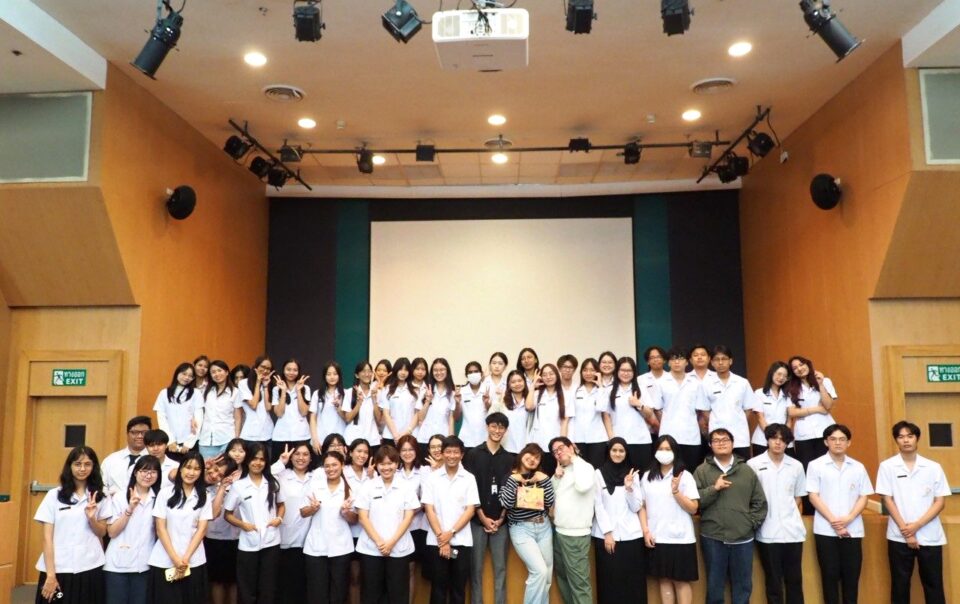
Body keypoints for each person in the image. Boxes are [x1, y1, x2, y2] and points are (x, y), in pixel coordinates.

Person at [876, 421, 951, 604]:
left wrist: (917, 525)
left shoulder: (933, 467)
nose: (906, 440)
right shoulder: (887, 466)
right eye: (901, 437)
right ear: (896, 440)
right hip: (898, 536)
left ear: (917, 438)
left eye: (910, 436)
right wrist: (906, 530)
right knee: (900, 585)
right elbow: (887, 499)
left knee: (933, 584)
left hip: (929, 534)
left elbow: (940, 502)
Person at [693, 427, 767, 604]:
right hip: (713, 537)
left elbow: (760, 503)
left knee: (743, 587)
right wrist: (714, 489)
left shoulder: (747, 470)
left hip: (743, 538)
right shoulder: (702, 471)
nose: (721, 443)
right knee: (714, 587)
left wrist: (749, 524)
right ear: (710, 445)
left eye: (725, 440)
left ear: (733, 444)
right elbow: (694, 502)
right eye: (716, 441)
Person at [806, 424, 873, 604]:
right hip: (825, 530)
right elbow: (813, 496)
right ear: (825, 442)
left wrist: (849, 518)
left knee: (852, 577)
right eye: (833, 439)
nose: (838, 443)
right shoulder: (815, 465)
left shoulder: (858, 467)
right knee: (829, 577)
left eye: (842, 439)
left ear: (848, 443)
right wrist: (833, 521)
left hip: (852, 530)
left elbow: (864, 496)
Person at [34, 446, 108, 604]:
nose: (82, 469)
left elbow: (102, 532)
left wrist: (92, 519)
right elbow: (47, 538)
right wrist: (51, 575)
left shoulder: (100, 496)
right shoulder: (54, 495)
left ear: (94, 467)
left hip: (90, 566)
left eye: (87, 464)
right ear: (70, 466)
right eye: (77, 464)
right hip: (59, 567)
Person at [747, 423, 807, 604]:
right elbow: (749, 497)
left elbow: (798, 497)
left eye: (783, 439)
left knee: (795, 580)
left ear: (788, 443)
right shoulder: (754, 464)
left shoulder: (796, 466)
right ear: (767, 440)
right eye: (774, 438)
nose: (778, 442)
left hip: (793, 532)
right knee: (773, 582)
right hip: (767, 531)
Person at [355, 444, 419, 604]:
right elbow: (362, 517)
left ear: (397, 464)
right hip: (371, 549)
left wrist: (391, 543)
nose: (386, 467)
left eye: (390, 463)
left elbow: (408, 517)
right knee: (371, 594)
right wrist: (379, 542)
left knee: (398, 594)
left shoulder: (405, 486)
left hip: (398, 549)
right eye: (382, 464)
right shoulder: (368, 486)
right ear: (376, 465)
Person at [640, 435, 700, 604]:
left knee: (681, 581)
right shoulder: (647, 477)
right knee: (664, 580)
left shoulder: (684, 476)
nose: (664, 452)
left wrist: (676, 492)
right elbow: (642, 506)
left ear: (675, 452)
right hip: (657, 537)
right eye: (661, 449)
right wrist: (646, 531)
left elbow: (693, 508)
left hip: (680, 538)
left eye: (668, 449)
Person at [147, 450, 212, 604]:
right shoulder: (165, 493)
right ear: (181, 468)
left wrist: (185, 558)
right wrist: (176, 559)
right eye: (188, 467)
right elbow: (160, 528)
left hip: (193, 561)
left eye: (197, 469)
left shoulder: (205, 496)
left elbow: (202, 529)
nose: (191, 472)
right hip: (165, 559)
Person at [462, 412, 514, 604]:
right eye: (494, 426)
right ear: (487, 427)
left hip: (501, 523)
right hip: (477, 521)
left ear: (505, 430)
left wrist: (501, 518)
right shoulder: (473, 455)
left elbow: (512, 490)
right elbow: (469, 489)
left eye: (501, 427)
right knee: (475, 570)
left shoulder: (510, 459)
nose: (497, 430)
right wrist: (482, 517)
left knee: (501, 569)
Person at [224, 442, 284, 604]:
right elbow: (227, 514)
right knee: (247, 588)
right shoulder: (238, 486)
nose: (258, 463)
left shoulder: (273, 482)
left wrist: (279, 519)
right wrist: (243, 525)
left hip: (271, 542)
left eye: (262, 459)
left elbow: (281, 505)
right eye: (254, 459)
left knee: (268, 587)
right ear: (247, 460)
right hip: (248, 543)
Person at [422, 436, 479, 604]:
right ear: (442, 453)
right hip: (436, 542)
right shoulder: (432, 478)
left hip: (461, 542)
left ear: (462, 455)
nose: (452, 456)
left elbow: (470, 510)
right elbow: (429, 509)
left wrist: (451, 533)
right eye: (448, 452)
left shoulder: (469, 478)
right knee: (438, 589)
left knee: (458, 589)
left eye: (456, 452)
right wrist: (442, 538)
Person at [592, 437, 646, 604]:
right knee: (610, 581)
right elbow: (598, 506)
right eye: (614, 450)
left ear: (626, 453)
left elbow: (636, 506)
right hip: (606, 537)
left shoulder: (632, 474)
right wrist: (608, 533)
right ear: (608, 452)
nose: (617, 454)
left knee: (633, 582)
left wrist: (629, 488)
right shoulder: (598, 473)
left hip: (632, 536)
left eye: (621, 451)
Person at [500, 443, 555, 604]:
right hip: (521, 529)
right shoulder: (509, 477)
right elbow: (506, 503)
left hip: (544, 527)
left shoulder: (540, 477)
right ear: (522, 454)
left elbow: (550, 502)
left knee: (547, 574)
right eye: (530, 454)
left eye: (537, 458)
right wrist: (514, 480)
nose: (532, 459)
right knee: (539, 571)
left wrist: (545, 480)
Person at [301, 450, 358, 604]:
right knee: (317, 594)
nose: (331, 469)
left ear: (342, 465)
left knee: (339, 594)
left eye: (334, 465)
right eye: (327, 466)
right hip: (316, 547)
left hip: (341, 548)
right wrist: (312, 508)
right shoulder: (315, 486)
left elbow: (355, 519)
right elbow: (303, 512)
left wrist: (345, 512)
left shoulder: (350, 490)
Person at [102, 455, 161, 604]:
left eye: (153, 472)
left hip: (145, 565)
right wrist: (130, 509)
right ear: (135, 472)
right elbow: (112, 532)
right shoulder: (120, 497)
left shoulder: (159, 498)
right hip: (117, 566)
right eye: (144, 471)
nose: (148, 475)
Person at [786, 355, 837, 514]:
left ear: (808, 364)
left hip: (825, 432)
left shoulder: (824, 381)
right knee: (808, 471)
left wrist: (820, 385)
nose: (799, 369)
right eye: (795, 368)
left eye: (801, 364)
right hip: (804, 436)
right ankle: (810, 511)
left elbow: (828, 405)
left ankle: (830, 507)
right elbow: (792, 412)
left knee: (827, 469)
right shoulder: (791, 387)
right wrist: (816, 409)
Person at [549, 436, 596, 604]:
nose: (558, 453)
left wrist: (574, 458)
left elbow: (582, 487)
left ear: (571, 447)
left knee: (579, 583)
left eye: (561, 448)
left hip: (576, 535)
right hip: (559, 531)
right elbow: (551, 497)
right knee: (563, 579)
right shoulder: (562, 471)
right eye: (555, 452)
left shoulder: (585, 467)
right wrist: (556, 477)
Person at [272, 443, 314, 603]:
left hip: (309, 540)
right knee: (286, 584)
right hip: (286, 537)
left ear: (311, 458)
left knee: (304, 585)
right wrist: (281, 462)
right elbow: (266, 475)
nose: (301, 458)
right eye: (297, 454)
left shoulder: (316, 476)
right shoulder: (283, 475)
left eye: (305, 454)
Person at [657, 347, 709, 471]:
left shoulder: (696, 383)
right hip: (668, 435)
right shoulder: (660, 382)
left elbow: (701, 410)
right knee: (668, 470)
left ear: (687, 362)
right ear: (668, 363)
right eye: (673, 359)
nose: (677, 362)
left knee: (690, 470)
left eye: (680, 359)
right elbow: (657, 410)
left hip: (691, 436)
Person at [603, 356, 659, 470]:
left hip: (640, 440)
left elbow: (650, 414)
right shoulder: (609, 390)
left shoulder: (641, 389)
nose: (626, 373)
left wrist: (639, 404)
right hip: (618, 441)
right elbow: (606, 416)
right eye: (623, 370)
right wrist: (612, 439)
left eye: (629, 370)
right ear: (617, 371)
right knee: (620, 474)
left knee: (641, 474)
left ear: (634, 372)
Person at [701, 346, 754, 460]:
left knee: (741, 466)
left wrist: (738, 421)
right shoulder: (706, 384)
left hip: (740, 435)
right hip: (717, 434)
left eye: (724, 359)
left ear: (730, 361)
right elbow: (704, 410)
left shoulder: (742, 382)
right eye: (717, 359)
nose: (720, 362)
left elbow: (748, 408)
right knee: (719, 466)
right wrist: (717, 422)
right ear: (712, 362)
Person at [205, 455, 241, 604]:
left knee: (234, 581)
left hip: (235, 539)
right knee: (216, 580)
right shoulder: (206, 488)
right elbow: (213, 514)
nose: (214, 475)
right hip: (213, 539)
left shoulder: (238, 488)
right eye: (213, 470)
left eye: (220, 474)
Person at [153, 362, 204, 461]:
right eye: (184, 374)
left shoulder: (196, 393)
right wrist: (170, 441)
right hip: (170, 444)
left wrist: (189, 444)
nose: (187, 377)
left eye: (190, 376)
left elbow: (199, 419)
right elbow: (162, 419)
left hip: (190, 444)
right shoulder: (164, 393)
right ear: (177, 373)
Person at [568, 358, 608, 468]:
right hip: (578, 438)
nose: (588, 373)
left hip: (598, 438)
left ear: (597, 372)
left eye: (592, 370)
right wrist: (570, 439)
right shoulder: (575, 390)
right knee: (581, 470)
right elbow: (571, 417)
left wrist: (600, 386)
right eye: (585, 370)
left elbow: (601, 408)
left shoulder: (602, 390)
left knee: (597, 470)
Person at [270, 358, 312, 463]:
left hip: (301, 435)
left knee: (301, 465)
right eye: (288, 369)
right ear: (283, 370)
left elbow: (304, 412)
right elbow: (279, 413)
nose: (291, 372)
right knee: (280, 467)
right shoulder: (276, 389)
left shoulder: (305, 388)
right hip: (281, 436)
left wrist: (298, 391)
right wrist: (283, 391)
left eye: (295, 370)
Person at [199, 360, 241, 460]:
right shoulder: (206, 391)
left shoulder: (235, 392)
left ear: (226, 372)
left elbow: (238, 418)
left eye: (219, 370)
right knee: (207, 468)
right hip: (206, 440)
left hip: (227, 439)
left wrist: (236, 439)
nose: (216, 374)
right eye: (213, 372)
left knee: (225, 468)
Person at [417, 358, 460, 456]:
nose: (438, 373)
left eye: (442, 370)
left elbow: (452, 419)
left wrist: (450, 440)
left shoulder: (452, 393)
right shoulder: (425, 390)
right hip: (425, 439)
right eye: (435, 370)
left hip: (443, 440)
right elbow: (420, 418)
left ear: (447, 371)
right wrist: (428, 401)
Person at [101, 416, 152, 496]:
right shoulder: (111, 460)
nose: (140, 436)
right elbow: (101, 485)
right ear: (127, 434)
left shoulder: (155, 459)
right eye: (134, 432)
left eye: (144, 433)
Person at [751, 362, 791, 458]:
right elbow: (760, 418)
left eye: (785, 376)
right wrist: (771, 437)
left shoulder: (788, 395)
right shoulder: (759, 393)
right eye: (779, 374)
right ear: (772, 373)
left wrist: (783, 437)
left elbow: (790, 419)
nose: (781, 378)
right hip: (762, 439)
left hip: (783, 439)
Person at [341, 361, 382, 452]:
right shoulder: (350, 392)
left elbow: (379, 420)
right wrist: (359, 403)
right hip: (353, 439)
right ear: (357, 375)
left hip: (372, 440)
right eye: (363, 371)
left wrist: (374, 400)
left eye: (369, 371)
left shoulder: (377, 392)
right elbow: (347, 418)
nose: (367, 374)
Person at [235, 356, 276, 447]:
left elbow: (268, 408)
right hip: (250, 434)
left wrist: (265, 386)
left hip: (268, 433)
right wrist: (258, 382)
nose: (265, 370)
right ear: (256, 366)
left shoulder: (270, 384)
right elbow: (253, 405)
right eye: (263, 367)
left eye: (268, 368)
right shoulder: (244, 383)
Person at [310, 361, 348, 455]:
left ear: (339, 376)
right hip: (321, 439)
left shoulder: (346, 393)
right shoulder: (317, 393)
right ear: (324, 376)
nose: (332, 377)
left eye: (335, 374)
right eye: (329, 374)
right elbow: (313, 418)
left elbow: (347, 418)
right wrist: (315, 439)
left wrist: (338, 407)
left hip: (340, 439)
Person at [379, 357, 418, 447]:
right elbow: (386, 414)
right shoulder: (387, 389)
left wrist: (407, 432)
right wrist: (395, 435)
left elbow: (417, 414)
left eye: (406, 370)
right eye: (400, 369)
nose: (403, 373)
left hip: (409, 435)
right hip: (390, 435)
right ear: (396, 370)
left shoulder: (415, 390)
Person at [502, 369, 535, 454]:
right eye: (513, 382)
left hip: (526, 449)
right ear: (508, 385)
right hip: (507, 448)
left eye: (520, 381)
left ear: (524, 382)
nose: (517, 384)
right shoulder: (502, 402)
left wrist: (533, 387)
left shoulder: (531, 400)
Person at [458, 361, 489, 449]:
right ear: (466, 375)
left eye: (476, 371)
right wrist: (457, 403)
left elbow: (492, 413)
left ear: (481, 373)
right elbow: (456, 417)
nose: (473, 374)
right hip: (466, 439)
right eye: (470, 372)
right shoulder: (461, 391)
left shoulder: (488, 389)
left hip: (485, 438)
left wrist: (487, 403)